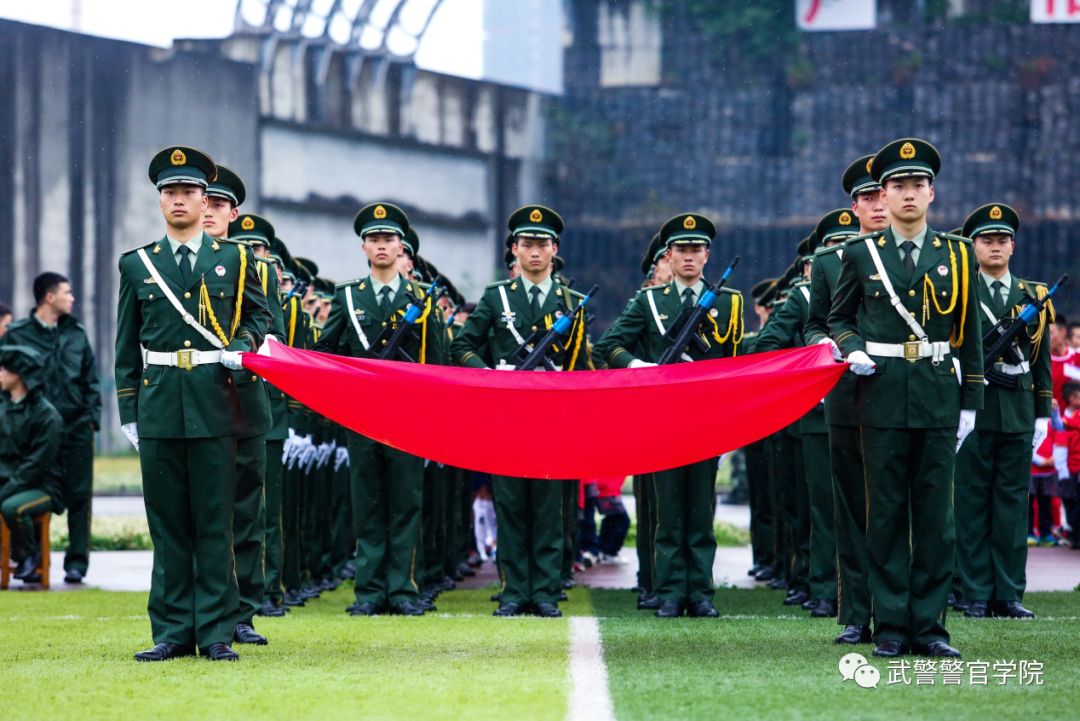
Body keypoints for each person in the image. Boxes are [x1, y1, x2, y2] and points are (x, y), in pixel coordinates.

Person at [115, 146, 271, 662]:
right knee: (169, 525)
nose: (179, 200)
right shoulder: (137, 264)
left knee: (214, 521)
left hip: (214, 400)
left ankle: (217, 631)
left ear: (205, 200)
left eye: (188, 192)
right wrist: (129, 411)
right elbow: (125, 345)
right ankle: (173, 631)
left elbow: (258, 315)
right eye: (170, 192)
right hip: (160, 404)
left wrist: (240, 346)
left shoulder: (236, 258)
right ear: (160, 201)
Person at [828, 138, 982, 658]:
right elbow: (838, 318)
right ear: (884, 195)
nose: (908, 194)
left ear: (932, 193)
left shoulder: (958, 254)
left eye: (917, 185)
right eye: (898, 186)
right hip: (882, 396)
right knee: (887, 515)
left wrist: (970, 403)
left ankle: (931, 628)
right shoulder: (859, 254)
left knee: (937, 520)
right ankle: (890, 625)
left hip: (939, 395)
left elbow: (970, 335)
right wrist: (850, 349)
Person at [594, 212, 744, 618]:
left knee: (700, 508)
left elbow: (737, 360)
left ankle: (700, 591)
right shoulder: (649, 302)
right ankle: (670, 589)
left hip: (707, 417)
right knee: (668, 509)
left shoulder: (730, 303)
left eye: (696, 250)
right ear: (669, 255)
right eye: (681, 250)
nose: (689, 257)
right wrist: (636, 365)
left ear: (707, 255)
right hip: (663, 418)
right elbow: (606, 346)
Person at [451, 205, 590, 618]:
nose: (534, 251)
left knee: (548, 508)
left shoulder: (572, 302)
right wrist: (490, 373)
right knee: (511, 505)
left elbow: (581, 365)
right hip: (508, 416)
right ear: (513, 249)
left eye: (541, 244)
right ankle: (513, 591)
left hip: (552, 418)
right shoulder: (497, 297)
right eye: (526, 244)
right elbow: (463, 346)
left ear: (554, 249)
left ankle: (544, 591)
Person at [314, 202, 445, 617]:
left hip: (408, 416)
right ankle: (370, 591)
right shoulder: (347, 296)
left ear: (400, 245)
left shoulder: (422, 299)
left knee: (405, 502)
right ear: (364, 247)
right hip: (363, 415)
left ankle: (403, 589)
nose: (381, 245)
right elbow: (327, 351)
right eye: (374, 239)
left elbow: (438, 362)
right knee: (368, 502)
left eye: (389, 239)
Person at [803, 154, 890, 644]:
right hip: (848, 395)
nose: (879, 204)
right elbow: (817, 320)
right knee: (852, 506)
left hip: (902, 393)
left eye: (885, 194)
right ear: (854, 206)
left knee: (902, 507)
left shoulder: (916, 255)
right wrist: (825, 343)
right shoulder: (829, 261)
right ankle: (857, 612)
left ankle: (902, 610)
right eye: (869, 197)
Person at [953, 203, 1051, 620]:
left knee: (1012, 505)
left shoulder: (1035, 295)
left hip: (1016, 410)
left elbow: (1042, 358)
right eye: (986, 240)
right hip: (974, 410)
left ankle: (1008, 593)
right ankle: (973, 590)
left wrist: (1042, 413)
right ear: (974, 247)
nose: (995, 247)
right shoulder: (959, 292)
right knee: (971, 503)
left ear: (1012, 246)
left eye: (1001, 240)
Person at [2, 272, 101, 583]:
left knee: (80, 496)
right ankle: (26, 556)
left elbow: (91, 381)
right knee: (25, 488)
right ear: (49, 296)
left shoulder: (76, 334)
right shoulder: (17, 334)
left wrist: (91, 418)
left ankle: (76, 564)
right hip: (34, 432)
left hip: (76, 430)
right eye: (67, 293)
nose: (72, 298)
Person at [0, 345, 65, 584]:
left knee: (12, 507)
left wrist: (6, 488)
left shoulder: (46, 415)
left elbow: (36, 464)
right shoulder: (4, 407)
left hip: (43, 486)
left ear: (19, 374)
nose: (0, 374)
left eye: (4, 369)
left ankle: (27, 555)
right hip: (9, 480)